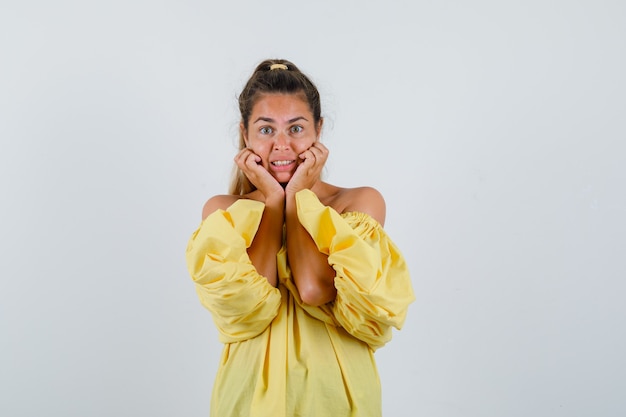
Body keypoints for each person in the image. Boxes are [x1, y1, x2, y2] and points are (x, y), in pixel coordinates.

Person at [185, 59, 415, 417]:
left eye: (296, 128)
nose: (282, 145)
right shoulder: (223, 214)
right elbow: (250, 309)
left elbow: (313, 289)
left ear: (318, 130)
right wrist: (273, 200)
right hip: (250, 400)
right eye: (266, 130)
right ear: (245, 133)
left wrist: (296, 198)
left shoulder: (358, 203)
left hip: (336, 397)